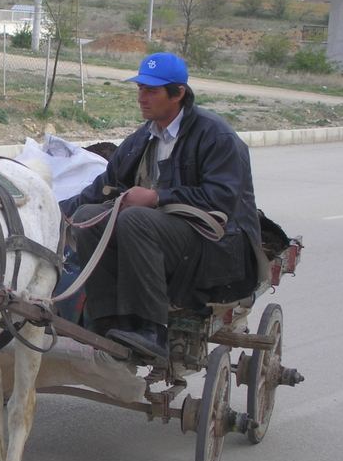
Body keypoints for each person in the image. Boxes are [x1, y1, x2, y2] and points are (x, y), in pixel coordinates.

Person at [59, 52, 263, 364]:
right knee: (89, 217)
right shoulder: (145, 136)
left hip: (215, 244)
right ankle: (109, 320)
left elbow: (223, 197)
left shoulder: (216, 135)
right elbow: (104, 186)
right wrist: (58, 211)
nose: (142, 97)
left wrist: (157, 198)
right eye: (140, 89)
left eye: (151, 91)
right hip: (161, 237)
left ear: (179, 93)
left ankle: (152, 330)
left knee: (137, 218)